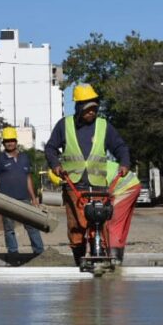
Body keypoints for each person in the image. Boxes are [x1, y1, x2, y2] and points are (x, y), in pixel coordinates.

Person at [44, 84, 132, 265]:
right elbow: (51, 148)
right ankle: (79, 260)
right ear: (78, 107)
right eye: (87, 109)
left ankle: (98, 256)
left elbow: (120, 147)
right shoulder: (64, 125)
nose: (91, 112)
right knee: (77, 225)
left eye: (94, 108)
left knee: (98, 222)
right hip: (73, 185)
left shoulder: (103, 126)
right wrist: (55, 165)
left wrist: (124, 163)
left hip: (99, 186)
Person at [0, 127, 44, 257]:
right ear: (3, 143)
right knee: (9, 229)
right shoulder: (0, 160)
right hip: (6, 200)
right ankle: (13, 254)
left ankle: (39, 253)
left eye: (12, 140)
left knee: (32, 226)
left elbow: (28, 179)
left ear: (16, 142)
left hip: (24, 199)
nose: (9, 143)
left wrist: (34, 198)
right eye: (7, 141)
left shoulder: (24, 158)